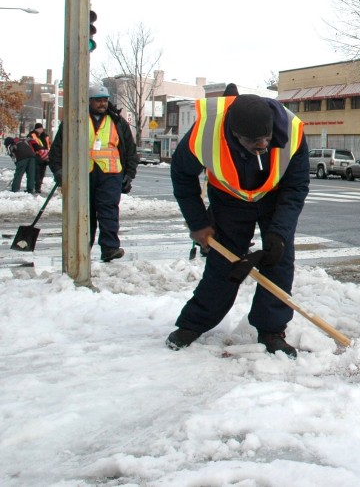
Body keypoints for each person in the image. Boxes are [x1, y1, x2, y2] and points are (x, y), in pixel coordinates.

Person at [166, 92, 309, 358]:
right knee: (223, 262)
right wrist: (198, 222)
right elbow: (182, 175)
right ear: (233, 133)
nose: (262, 146)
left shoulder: (293, 131)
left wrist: (279, 233)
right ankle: (193, 324)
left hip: (275, 197)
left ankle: (271, 330)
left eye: (266, 139)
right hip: (228, 199)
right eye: (253, 141)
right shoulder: (205, 133)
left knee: (279, 261)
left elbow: (296, 186)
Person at [49, 85, 139, 261]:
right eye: (98, 100)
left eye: (105, 100)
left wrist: (129, 174)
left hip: (111, 174)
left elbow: (130, 151)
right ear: (89, 101)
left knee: (109, 211)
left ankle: (110, 248)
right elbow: (57, 150)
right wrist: (59, 171)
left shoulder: (118, 122)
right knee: (85, 213)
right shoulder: (75, 121)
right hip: (83, 174)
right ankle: (83, 250)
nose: (102, 103)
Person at [28, 123, 51, 193]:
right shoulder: (32, 135)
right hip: (36, 156)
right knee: (37, 172)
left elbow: (49, 145)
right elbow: (33, 145)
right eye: (39, 129)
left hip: (45, 157)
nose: (40, 130)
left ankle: (39, 186)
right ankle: (37, 187)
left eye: (41, 129)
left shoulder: (45, 136)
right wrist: (41, 150)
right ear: (36, 129)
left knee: (42, 173)